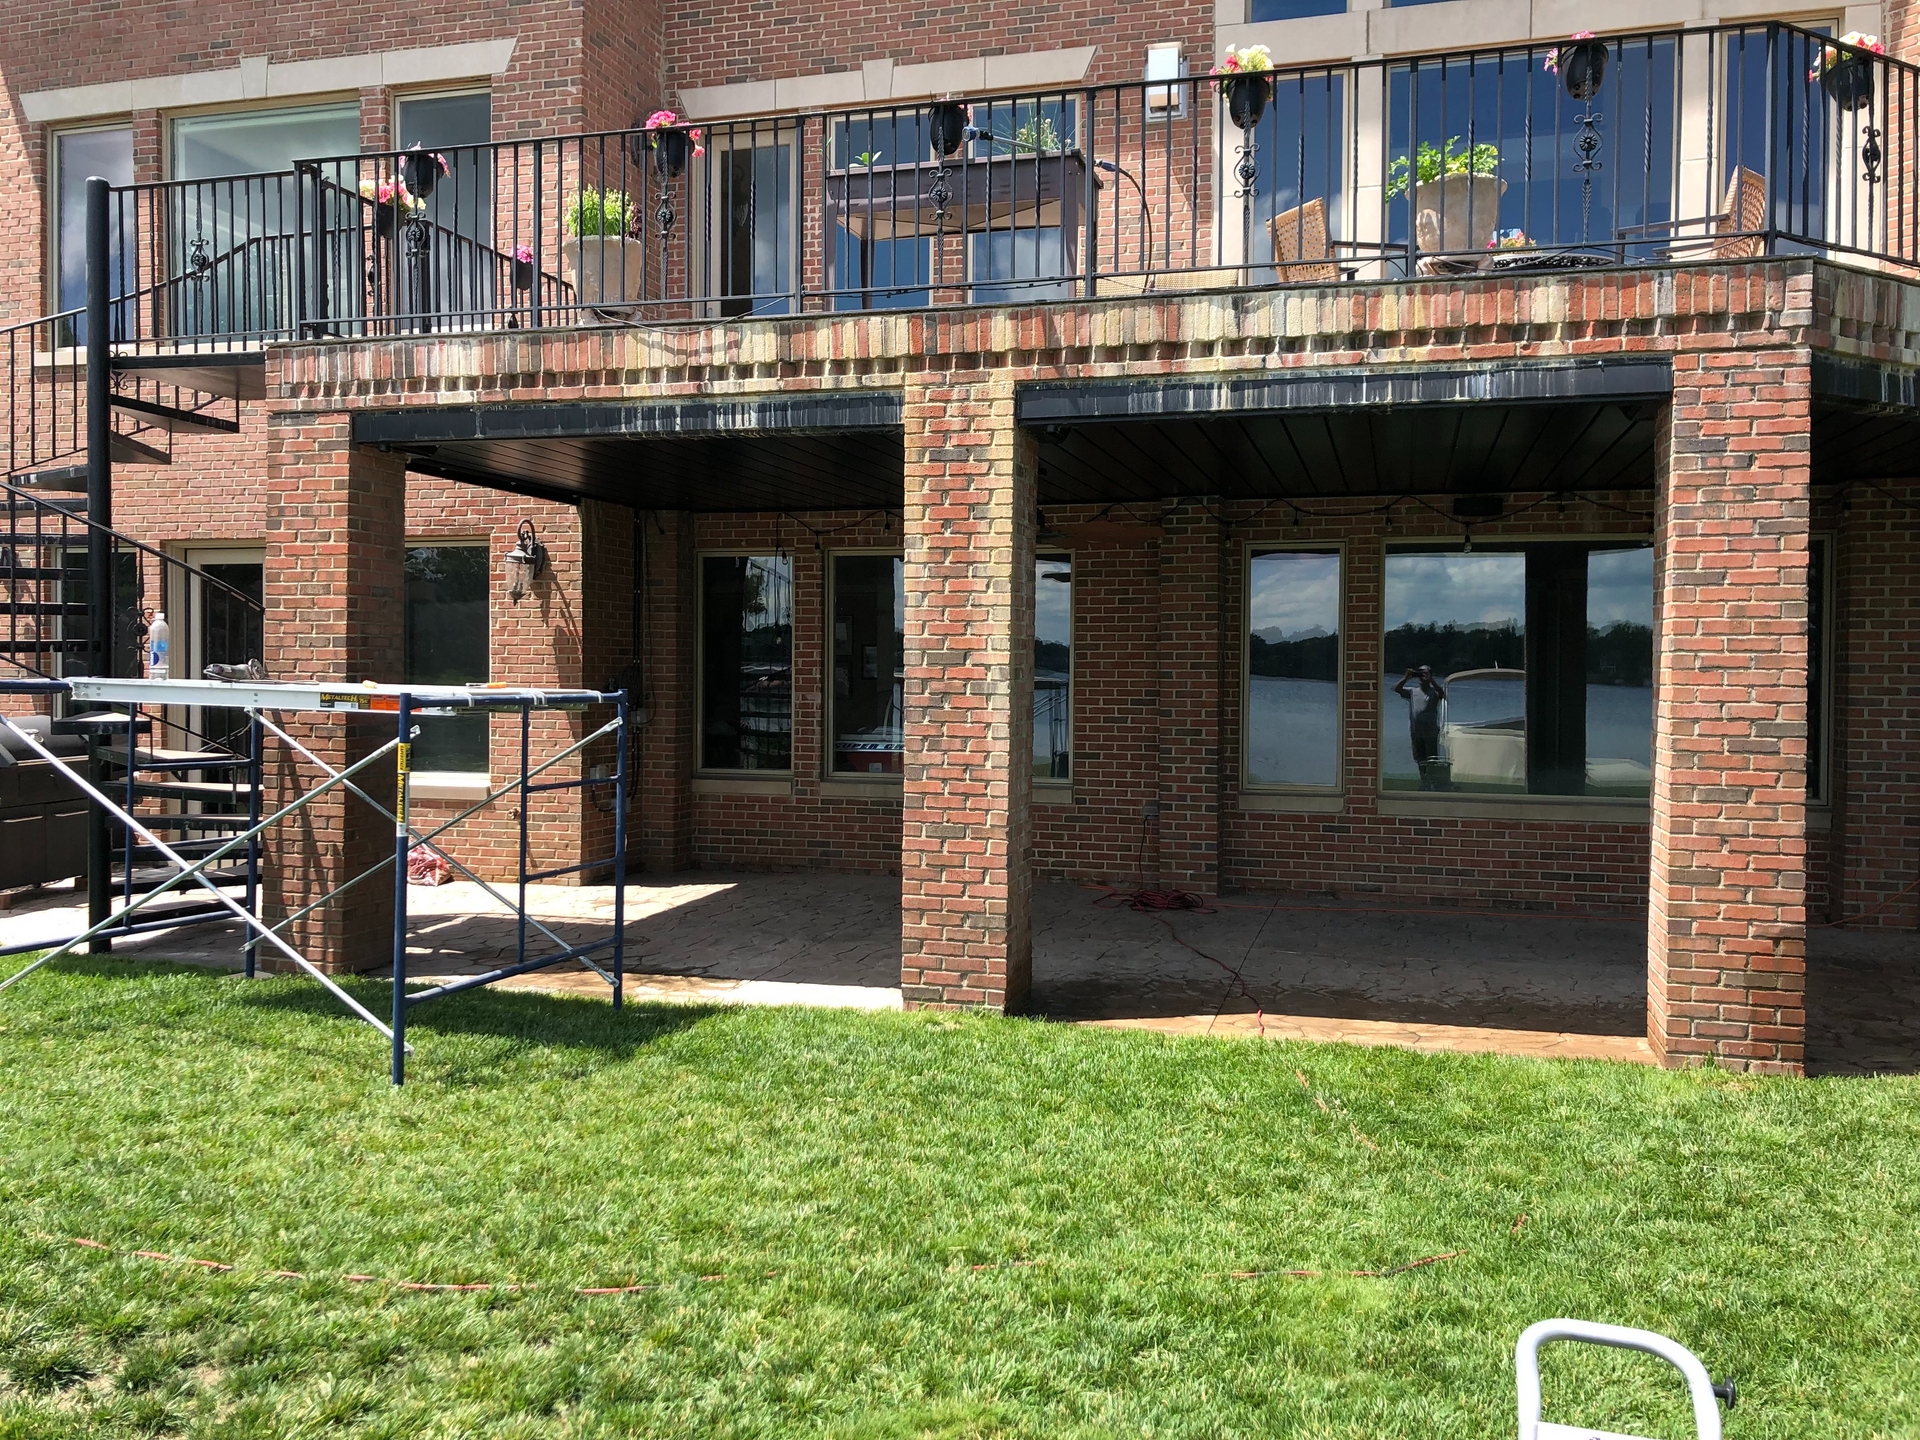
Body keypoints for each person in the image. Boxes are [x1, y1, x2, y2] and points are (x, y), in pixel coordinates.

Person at [1394, 665, 1447, 789]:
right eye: (1420, 674)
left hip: (1431, 732)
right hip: (1416, 731)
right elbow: (1397, 689)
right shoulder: (1412, 691)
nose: (1422, 677)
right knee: (1420, 758)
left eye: (1425, 674)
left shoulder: (1433, 692)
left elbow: (1442, 694)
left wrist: (1431, 680)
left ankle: (1433, 782)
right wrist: (1406, 678)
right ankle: (1424, 781)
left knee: (1432, 759)